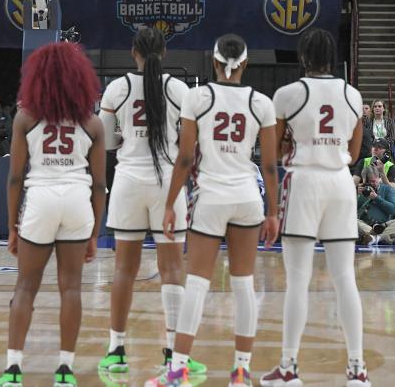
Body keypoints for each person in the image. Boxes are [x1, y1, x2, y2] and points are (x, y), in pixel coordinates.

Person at [148, 34, 279, 387]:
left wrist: (170, 204)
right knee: (243, 285)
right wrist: (273, 211)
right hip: (248, 198)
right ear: (246, 63)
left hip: (211, 199)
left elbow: (186, 157)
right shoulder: (261, 102)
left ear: (214, 62)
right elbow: (269, 165)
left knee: (197, 285)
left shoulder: (197, 97)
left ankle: (177, 370)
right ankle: (240, 371)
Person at [261, 28, 371, 386]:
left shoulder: (287, 94)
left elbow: (274, 151)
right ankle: (357, 369)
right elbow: (355, 154)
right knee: (345, 279)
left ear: (303, 57)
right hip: (340, 182)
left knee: (298, 281)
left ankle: (289, 368)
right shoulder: (352, 95)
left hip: (304, 181)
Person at [0, 42, 105, 387]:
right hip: (77, 200)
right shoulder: (93, 123)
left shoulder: (25, 118)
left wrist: (13, 226)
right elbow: (100, 185)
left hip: (40, 198)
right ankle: (65, 370)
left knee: (25, 288)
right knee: (71, 289)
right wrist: (93, 233)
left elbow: (14, 177)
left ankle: (13, 369)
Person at [96, 28, 205, 376]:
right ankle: (174, 353)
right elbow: (192, 142)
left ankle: (116, 349)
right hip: (168, 184)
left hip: (128, 181)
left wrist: (128, 135)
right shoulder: (179, 90)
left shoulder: (117, 88)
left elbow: (106, 143)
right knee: (173, 269)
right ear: (165, 52)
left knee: (124, 271)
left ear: (133, 52)